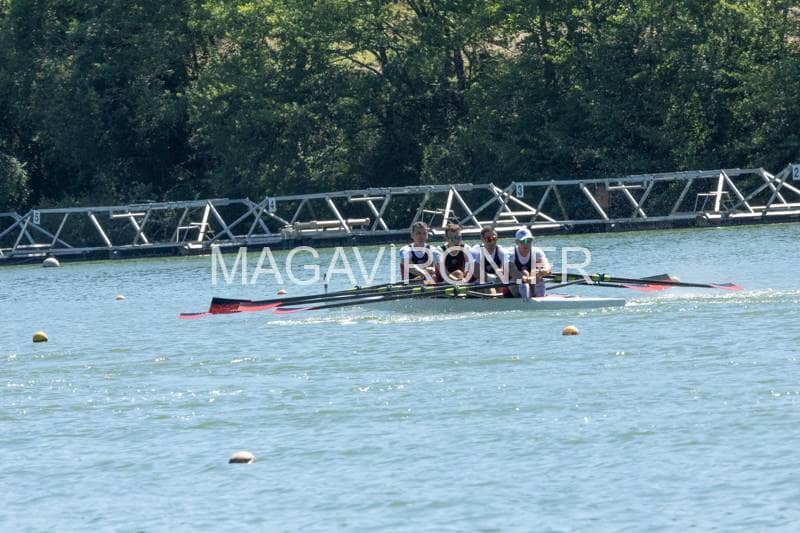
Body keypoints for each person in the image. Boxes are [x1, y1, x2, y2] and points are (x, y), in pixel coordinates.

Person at [509, 228, 552, 298]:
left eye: (529, 241)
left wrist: (544, 271)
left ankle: (539, 298)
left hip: (531, 281)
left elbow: (546, 266)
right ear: (517, 242)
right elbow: (512, 271)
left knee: (538, 275)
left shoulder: (537, 252)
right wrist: (525, 278)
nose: (526, 244)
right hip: (514, 284)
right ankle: (527, 299)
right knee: (524, 274)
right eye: (523, 241)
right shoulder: (510, 253)